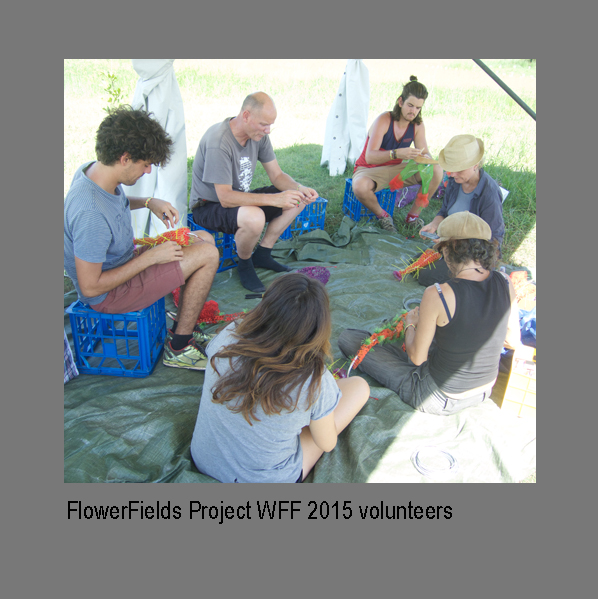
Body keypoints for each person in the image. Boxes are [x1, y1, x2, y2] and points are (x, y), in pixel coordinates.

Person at [64, 106, 220, 371]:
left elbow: (114, 203)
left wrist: (148, 202)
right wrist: (150, 258)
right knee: (208, 254)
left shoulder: (94, 172)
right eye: (145, 164)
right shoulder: (90, 214)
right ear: (125, 158)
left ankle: (184, 324)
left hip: (124, 263)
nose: (148, 171)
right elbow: (90, 288)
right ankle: (179, 346)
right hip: (110, 294)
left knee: (203, 238)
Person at [190, 273, 370, 483]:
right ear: (319, 326)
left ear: (265, 306)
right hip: (263, 481)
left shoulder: (230, 333)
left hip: (205, 459)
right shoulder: (314, 378)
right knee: (359, 386)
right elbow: (327, 444)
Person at [338, 212, 521, 416]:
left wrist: (410, 324)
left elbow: (417, 358)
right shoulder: (505, 281)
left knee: (350, 339)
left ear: (450, 249)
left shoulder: (438, 294)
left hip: (437, 396)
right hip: (483, 391)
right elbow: (513, 340)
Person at [190, 92, 319, 293]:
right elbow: (225, 198)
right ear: (246, 116)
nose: (268, 130)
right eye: (264, 124)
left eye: (270, 125)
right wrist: (274, 200)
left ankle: (263, 253)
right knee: (255, 217)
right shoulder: (219, 141)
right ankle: (245, 263)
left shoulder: (258, 136)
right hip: (209, 205)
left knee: (297, 198)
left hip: (239, 200)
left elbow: (277, 175)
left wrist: (299, 188)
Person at [351, 76, 443, 233]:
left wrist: (426, 158)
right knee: (359, 186)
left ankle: (412, 217)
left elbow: (424, 152)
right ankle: (384, 216)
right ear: (400, 102)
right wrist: (396, 154)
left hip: (396, 170)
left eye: (418, 108)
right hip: (369, 169)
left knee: (436, 170)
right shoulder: (384, 120)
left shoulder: (417, 125)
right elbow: (370, 157)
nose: (413, 111)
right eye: (410, 105)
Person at [417, 134, 505, 286]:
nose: (452, 174)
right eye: (451, 170)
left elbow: (493, 239)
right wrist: (434, 225)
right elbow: (444, 212)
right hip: (451, 247)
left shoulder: (489, 193)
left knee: (425, 276)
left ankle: (472, 278)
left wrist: (453, 240)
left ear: (475, 165)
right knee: (416, 264)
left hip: (473, 254)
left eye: (458, 170)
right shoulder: (454, 181)